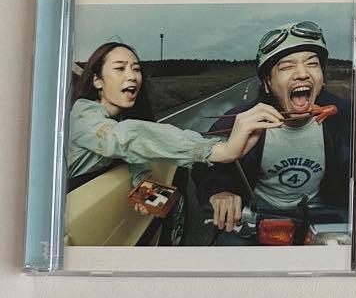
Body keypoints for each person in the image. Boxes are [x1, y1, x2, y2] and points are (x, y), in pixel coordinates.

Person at [199, 21, 352, 234]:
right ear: (268, 84)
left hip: (324, 222)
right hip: (258, 220)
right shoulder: (238, 121)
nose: (302, 74)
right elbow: (204, 161)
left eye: (312, 64)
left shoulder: (346, 116)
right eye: (287, 66)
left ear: (322, 79)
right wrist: (219, 191)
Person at [68, 41, 282, 192]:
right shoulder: (82, 115)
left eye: (136, 69)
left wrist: (142, 183)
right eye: (120, 69)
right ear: (97, 80)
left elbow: (130, 152)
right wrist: (218, 150)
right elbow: (125, 138)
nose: (132, 76)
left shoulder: (116, 120)